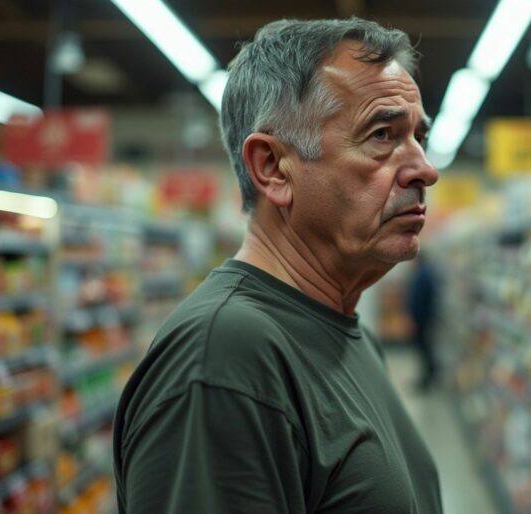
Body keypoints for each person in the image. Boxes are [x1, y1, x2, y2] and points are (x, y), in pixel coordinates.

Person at [113, 18, 441, 513]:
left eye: (419, 137)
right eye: (381, 135)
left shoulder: (351, 335)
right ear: (272, 168)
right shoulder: (223, 359)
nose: (425, 169)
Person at [406, 252, 440, 390]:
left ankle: (427, 378)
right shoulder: (426, 273)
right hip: (426, 317)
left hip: (421, 318)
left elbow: (417, 300)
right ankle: (429, 375)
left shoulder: (421, 275)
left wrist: (413, 318)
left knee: (423, 348)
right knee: (425, 348)